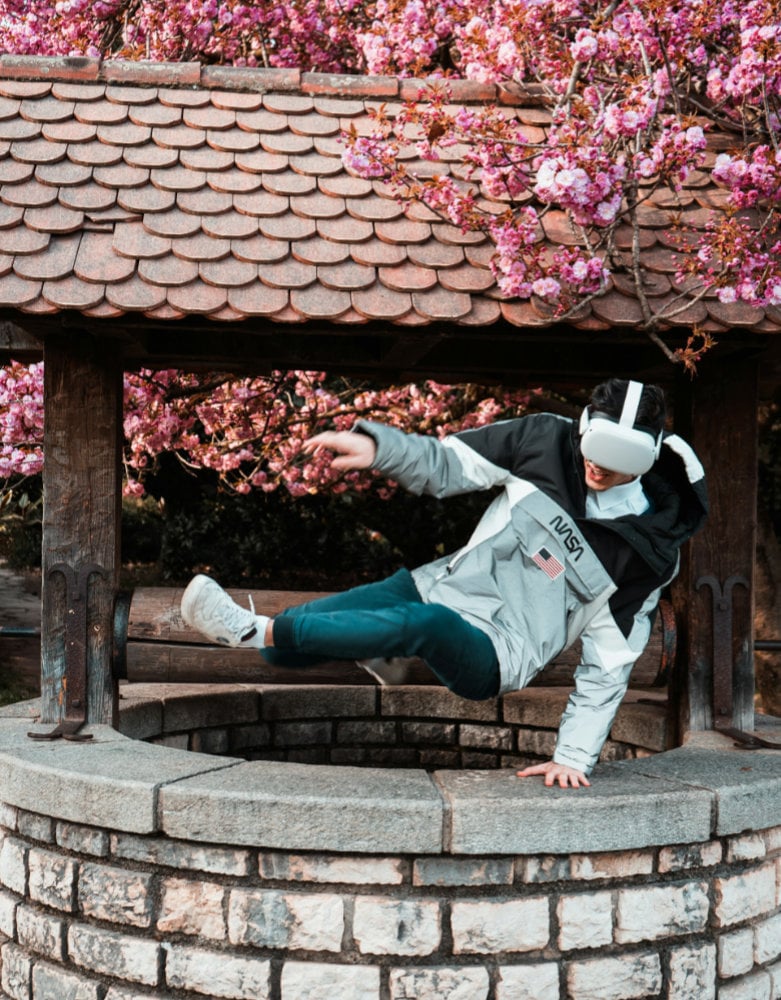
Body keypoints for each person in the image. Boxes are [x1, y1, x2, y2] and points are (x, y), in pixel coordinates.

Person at [181, 379, 708, 789]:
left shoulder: (647, 553)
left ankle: (251, 632)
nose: (596, 467)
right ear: (585, 425)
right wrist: (380, 451)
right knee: (290, 646)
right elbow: (450, 463)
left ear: (648, 455)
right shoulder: (545, 442)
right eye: (594, 450)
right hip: (438, 587)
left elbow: (610, 662)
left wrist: (572, 756)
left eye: (617, 464)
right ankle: (347, 648)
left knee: (423, 625)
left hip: (499, 652)